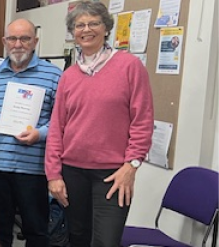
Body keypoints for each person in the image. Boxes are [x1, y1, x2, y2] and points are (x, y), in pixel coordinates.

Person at [46, 1, 154, 246]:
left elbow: (143, 120)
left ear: (106, 28)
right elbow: (56, 128)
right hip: (72, 172)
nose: (86, 29)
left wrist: (132, 165)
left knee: (106, 241)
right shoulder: (69, 76)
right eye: (79, 25)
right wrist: (53, 174)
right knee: (78, 238)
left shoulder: (129, 66)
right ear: (73, 32)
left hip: (114, 174)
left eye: (93, 23)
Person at [0, 18, 62, 247]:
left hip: (33, 169)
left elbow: (62, 121)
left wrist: (40, 134)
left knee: (36, 231)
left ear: (35, 41)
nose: (18, 44)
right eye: (13, 39)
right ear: (5, 42)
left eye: (25, 38)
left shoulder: (54, 76)